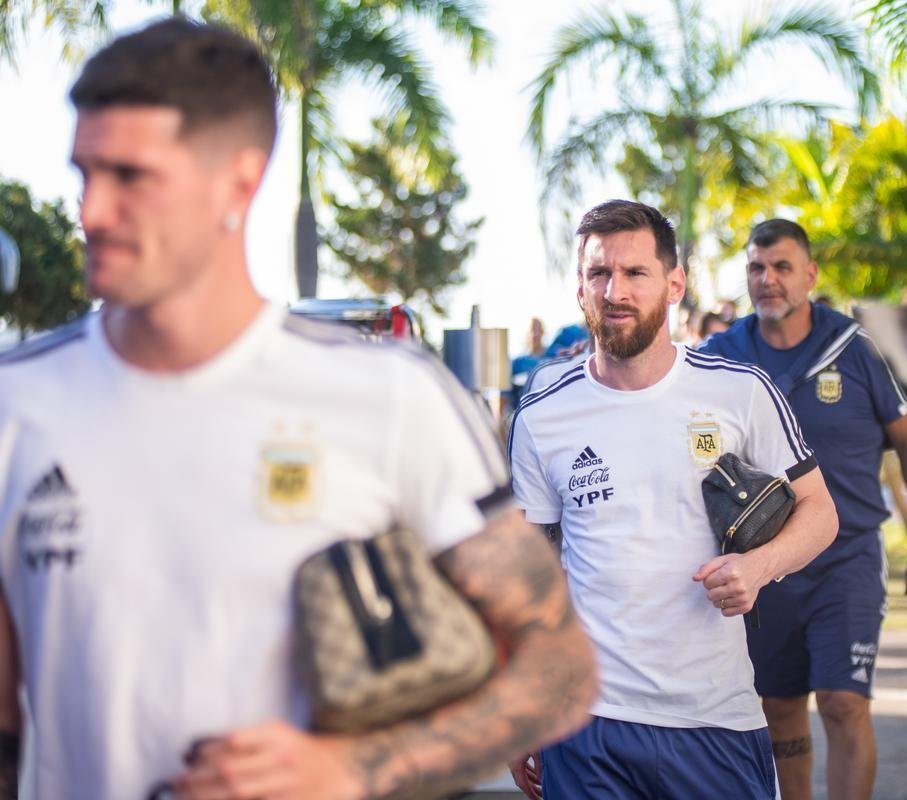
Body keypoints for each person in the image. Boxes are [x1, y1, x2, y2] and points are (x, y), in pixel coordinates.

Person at [0, 18, 596, 800]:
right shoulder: (18, 402)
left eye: (130, 176)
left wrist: (350, 769)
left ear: (238, 183)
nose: (92, 212)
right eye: (84, 174)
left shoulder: (390, 396)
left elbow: (560, 669)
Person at [506, 200, 838, 799]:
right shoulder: (542, 412)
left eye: (635, 272)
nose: (615, 291)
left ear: (674, 284)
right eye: (599, 273)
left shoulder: (740, 391)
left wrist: (758, 567)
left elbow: (821, 512)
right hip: (586, 723)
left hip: (714, 719)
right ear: (579, 287)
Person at [701, 219, 907, 800]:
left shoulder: (856, 347)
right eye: (756, 268)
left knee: (843, 702)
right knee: (779, 709)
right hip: (765, 566)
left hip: (845, 559)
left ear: (810, 274)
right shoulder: (721, 357)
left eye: (781, 267)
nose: (768, 280)